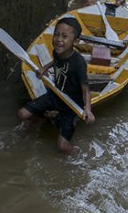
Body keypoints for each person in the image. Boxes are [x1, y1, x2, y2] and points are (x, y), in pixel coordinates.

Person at [18, 17, 95, 154]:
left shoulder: (79, 63)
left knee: (62, 146)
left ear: (75, 42)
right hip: (55, 95)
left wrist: (88, 110)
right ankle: (46, 115)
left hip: (71, 104)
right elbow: (56, 61)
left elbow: (86, 90)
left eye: (64, 36)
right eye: (56, 35)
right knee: (22, 114)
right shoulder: (57, 51)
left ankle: (78, 154)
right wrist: (45, 68)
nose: (59, 39)